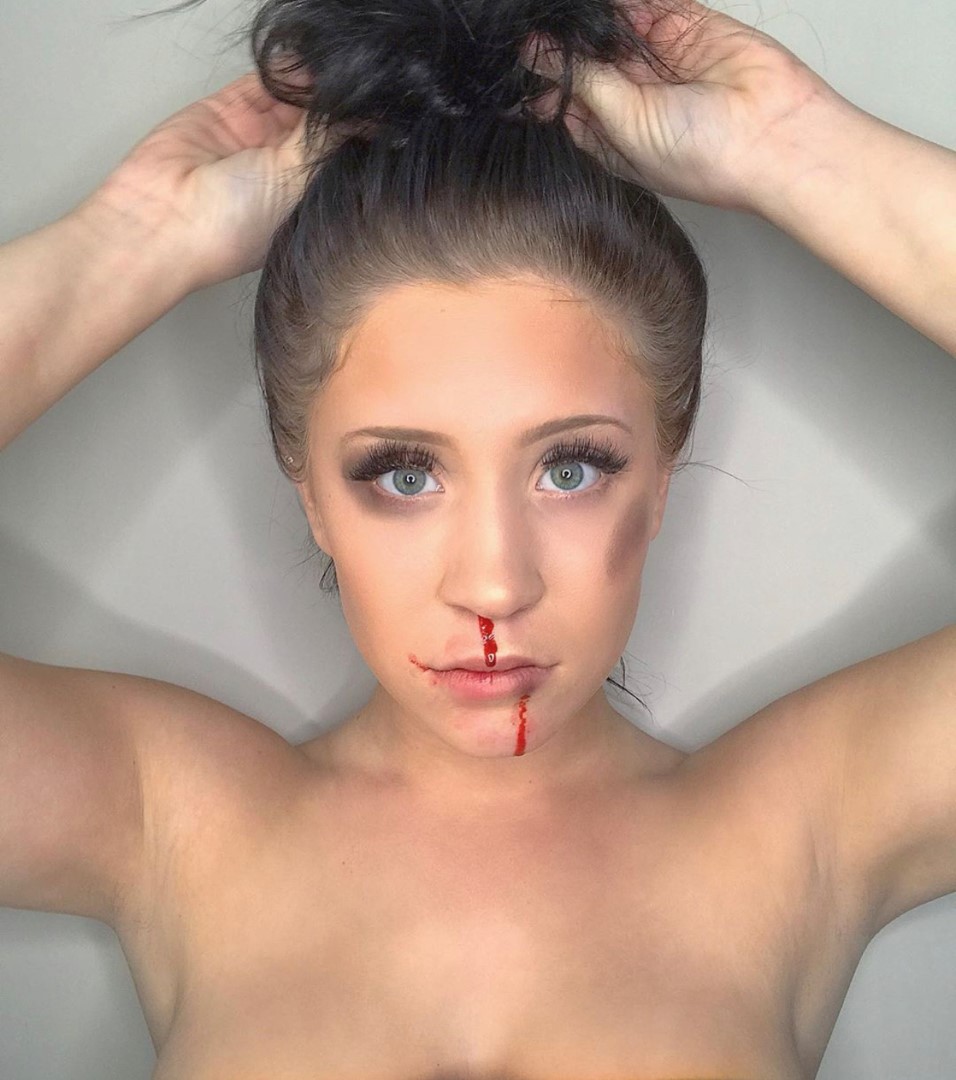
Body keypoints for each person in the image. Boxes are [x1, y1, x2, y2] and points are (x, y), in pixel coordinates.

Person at [0, 0, 953, 1078]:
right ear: (308, 490)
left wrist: (791, 149)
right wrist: (138, 238)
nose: (494, 584)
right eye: (403, 475)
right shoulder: (166, 819)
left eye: (570, 469)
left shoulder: (804, 827)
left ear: (661, 475)